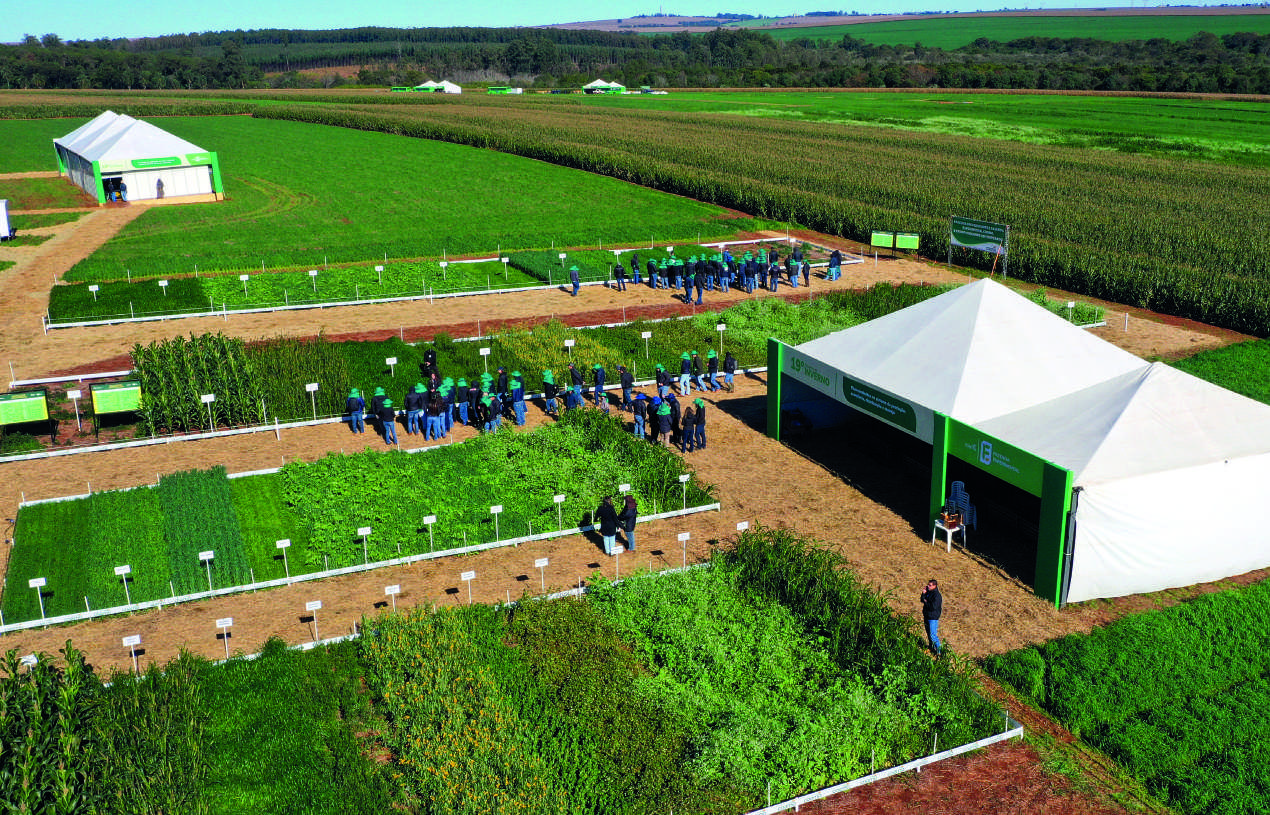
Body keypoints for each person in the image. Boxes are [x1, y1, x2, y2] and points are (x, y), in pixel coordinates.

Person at [921, 579, 943, 656]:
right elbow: (922, 600)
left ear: (934, 586)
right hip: (927, 616)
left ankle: (940, 652)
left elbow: (933, 607)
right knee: (928, 633)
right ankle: (931, 647)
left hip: (932, 618)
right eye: (928, 584)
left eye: (930, 585)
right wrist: (923, 594)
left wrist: (926, 602)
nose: (928, 586)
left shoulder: (937, 595)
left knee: (933, 635)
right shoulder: (928, 592)